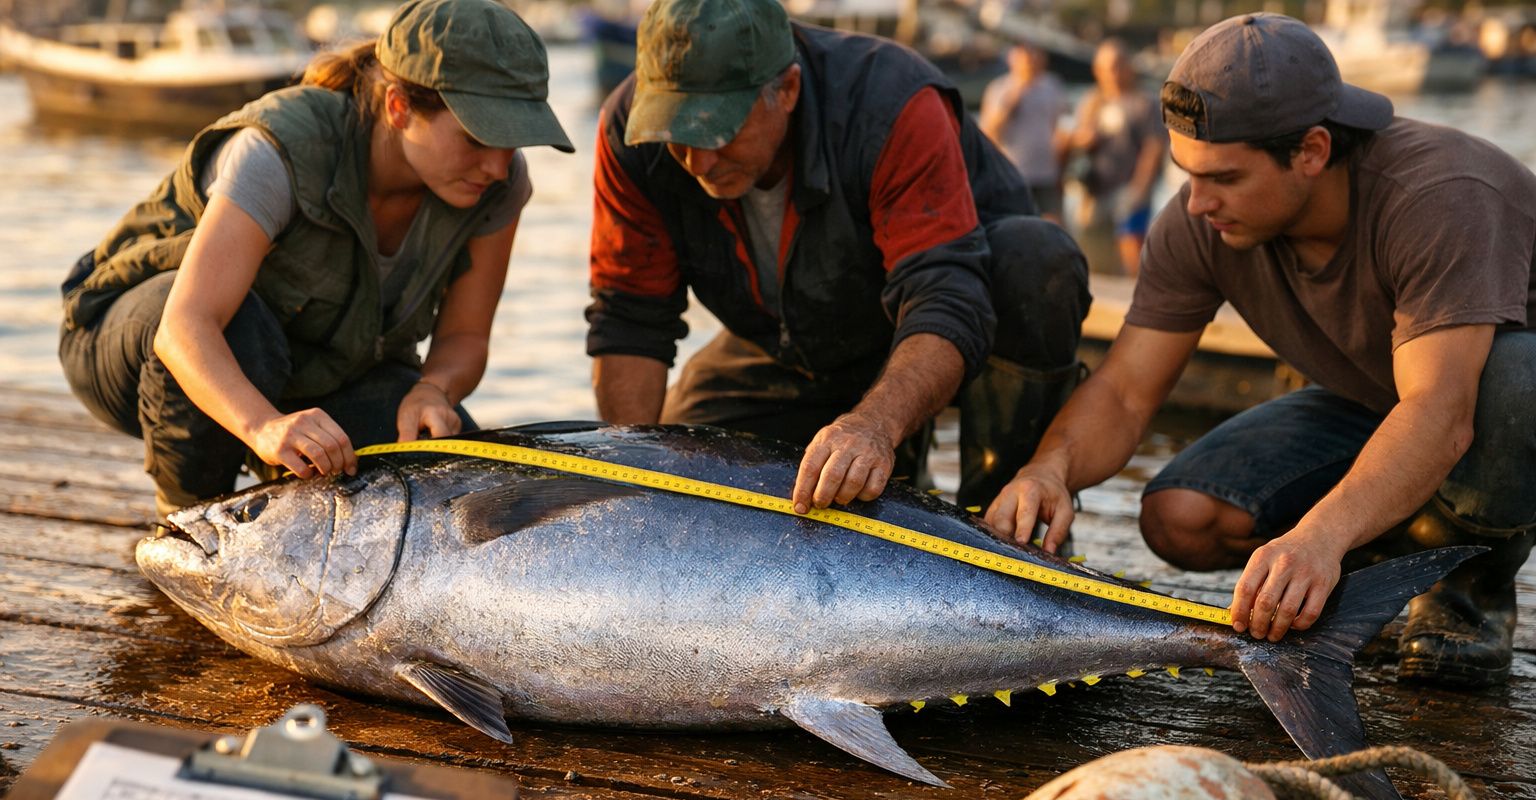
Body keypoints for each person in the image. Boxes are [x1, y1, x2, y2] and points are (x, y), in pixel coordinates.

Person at [986, 13, 1536, 689]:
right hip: (1374, 393)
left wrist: (1320, 537)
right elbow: (1128, 389)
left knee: (1516, 381)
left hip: (1480, 399)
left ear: (1311, 150)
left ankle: (1467, 590)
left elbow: (1440, 411)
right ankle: (1376, 577)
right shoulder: (1199, 220)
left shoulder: (1440, 195)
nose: (1195, 203)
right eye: (1187, 173)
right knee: (1179, 519)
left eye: (1223, 177)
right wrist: (1051, 468)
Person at [58, 0, 573, 519]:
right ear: (398, 107)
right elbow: (185, 328)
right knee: (243, 333)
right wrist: (263, 427)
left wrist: (432, 389)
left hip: (316, 368)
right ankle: (190, 527)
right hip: (129, 342)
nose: (498, 166)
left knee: (450, 467)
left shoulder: (498, 185)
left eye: (513, 140)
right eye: (478, 137)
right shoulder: (278, 148)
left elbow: (465, 336)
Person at [586, 0, 1090, 513]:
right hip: (786, 343)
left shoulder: (889, 100)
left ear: (787, 89)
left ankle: (1009, 517)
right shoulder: (628, 132)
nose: (698, 162)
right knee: (677, 474)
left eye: (717, 130)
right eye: (677, 134)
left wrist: (875, 425)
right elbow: (629, 318)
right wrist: (632, 479)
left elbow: (945, 298)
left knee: (1037, 260)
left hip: (950, 337)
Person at [1064, 39, 1167, 276]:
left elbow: (1154, 148)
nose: (1112, 73)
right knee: (1093, 246)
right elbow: (1075, 138)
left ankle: (1138, 294)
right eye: (1106, 67)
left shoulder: (1145, 102)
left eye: (1117, 65)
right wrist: (1082, 139)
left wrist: (1140, 188)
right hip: (1096, 187)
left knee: (1131, 245)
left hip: (1128, 185)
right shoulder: (1092, 101)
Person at [979, 41, 1070, 223]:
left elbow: (1061, 127)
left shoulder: (1052, 86)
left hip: (1047, 173)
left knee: (1053, 226)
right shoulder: (999, 89)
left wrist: (1062, 164)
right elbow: (988, 133)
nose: (1030, 63)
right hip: (1013, 174)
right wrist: (1012, 101)